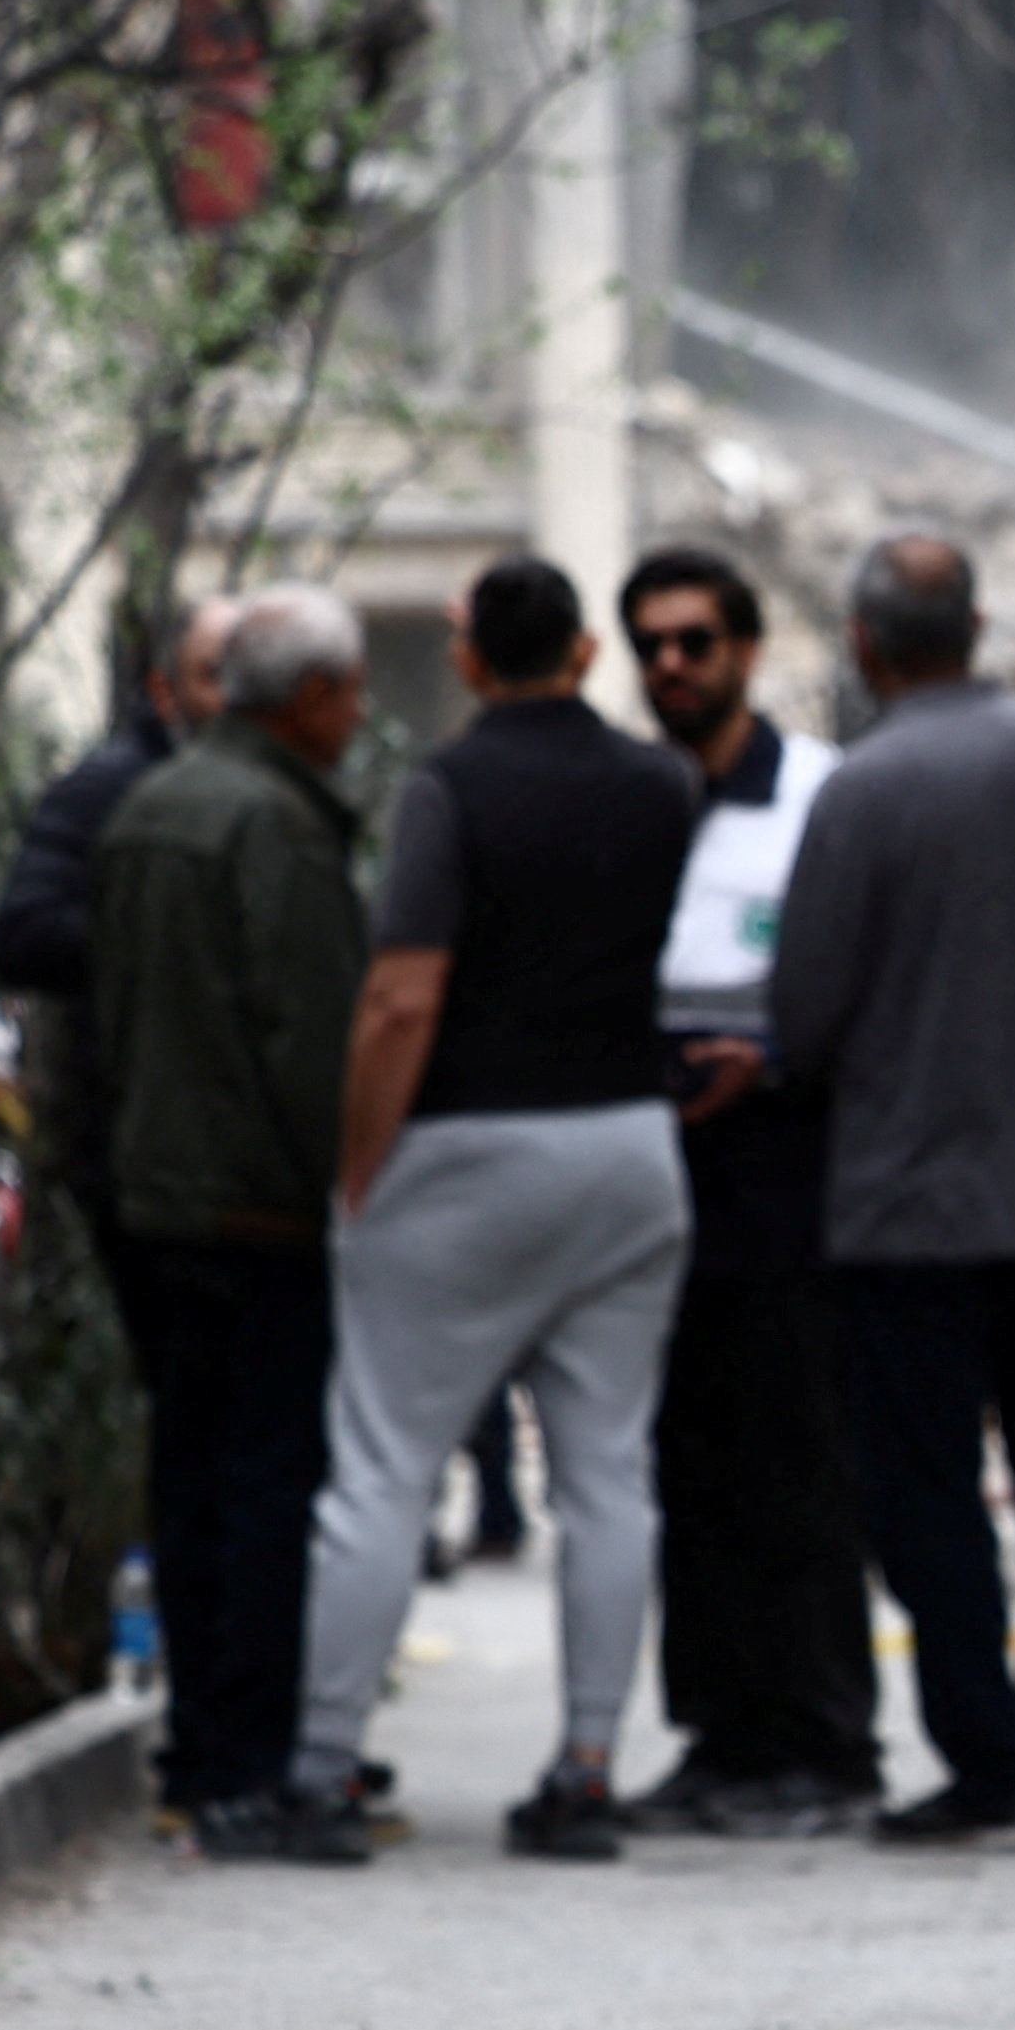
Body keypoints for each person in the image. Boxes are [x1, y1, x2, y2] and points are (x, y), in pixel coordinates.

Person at [284, 555, 708, 1864]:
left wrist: (361, 1170)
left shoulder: (447, 789)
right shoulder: (665, 785)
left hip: (467, 1151)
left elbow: (403, 996)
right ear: (586, 653)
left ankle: (322, 1764)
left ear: (468, 659)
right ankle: (587, 1767)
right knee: (608, 1476)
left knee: (384, 1469)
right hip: (630, 1150)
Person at [767, 528, 1015, 1849]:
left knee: (929, 1498)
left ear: (867, 646)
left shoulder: (860, 792)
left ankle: (989, 1764)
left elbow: (802, 1016)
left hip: (909, 1214)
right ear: (975, 629)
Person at [87, 587, 378, 1863]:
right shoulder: (276, 824)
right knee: (264, 1488)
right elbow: (311, 1038)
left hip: (155, 1196)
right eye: (351, 693)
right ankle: (252, 1771)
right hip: (256, 1204)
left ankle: (203, 1755)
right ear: (310, 698)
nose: (359, 717)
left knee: (192, 1477)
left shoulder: (151, 806)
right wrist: (345, 1185)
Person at [616, 543, 879, 1835]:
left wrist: (767, 1061)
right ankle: (719, 1735)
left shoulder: (822, 799)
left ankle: (826, 1741)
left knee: (801, 1462)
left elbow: (865, 989)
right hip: (657, 1176)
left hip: (790, 1169)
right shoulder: (630, 802)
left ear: (744, 653)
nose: (673, 665)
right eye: (652, 645)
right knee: (687, 1466)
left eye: (695, 642)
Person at [0, 592, 234, 1292]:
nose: (237, 699)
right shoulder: (108, 790)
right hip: (142, 1151)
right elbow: (22, 936)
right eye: (216, 675)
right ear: (163, 689)